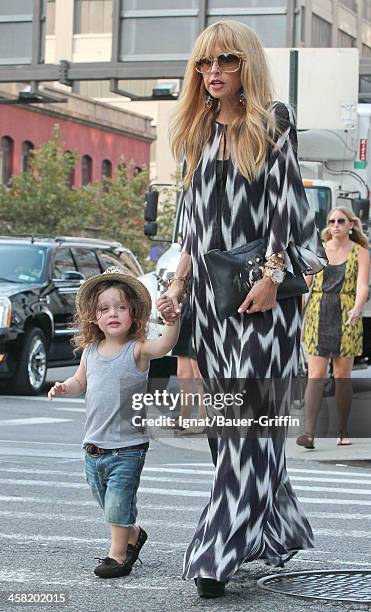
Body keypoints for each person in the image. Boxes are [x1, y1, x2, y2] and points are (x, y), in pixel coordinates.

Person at [158, 20, 327, 599]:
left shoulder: (271, 123)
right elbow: (193, 227)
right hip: (210, 304)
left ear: (245, 64)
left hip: (262, 302)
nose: (213, 73)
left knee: (248, 426)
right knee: (236, 430)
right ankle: (274, 531)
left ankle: (215, 552)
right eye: (205, 63)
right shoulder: (198, 135)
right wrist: (177, 287)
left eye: (225, 61)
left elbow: (289, 208)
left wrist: (273, 273)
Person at [48, 266, 179, 579]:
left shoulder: (138, 350)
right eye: (105, 309)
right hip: (93, 446)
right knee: (109, 505)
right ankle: (133, 533)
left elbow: (163, 345)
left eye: (121, 307)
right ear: (94, 317)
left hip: (127, 447)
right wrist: (66, 387)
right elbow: (81, 382)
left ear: (133, 313)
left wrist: (171, 323)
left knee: (118, 503)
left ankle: (117, 555)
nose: (113, 314)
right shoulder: (91, 351)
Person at [297, 207, 370, 449]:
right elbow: (305, 286)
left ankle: (342, 430)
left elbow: (362, 286)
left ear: (351, 224)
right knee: (315, 376)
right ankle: (309, 433)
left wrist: (357, 308)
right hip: (318, 313)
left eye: (341, 220)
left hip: (346, 313)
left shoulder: (361, 252)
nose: (335, 224)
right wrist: (297, 316)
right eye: (332, 221)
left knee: (342, 377)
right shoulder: (318, 251)